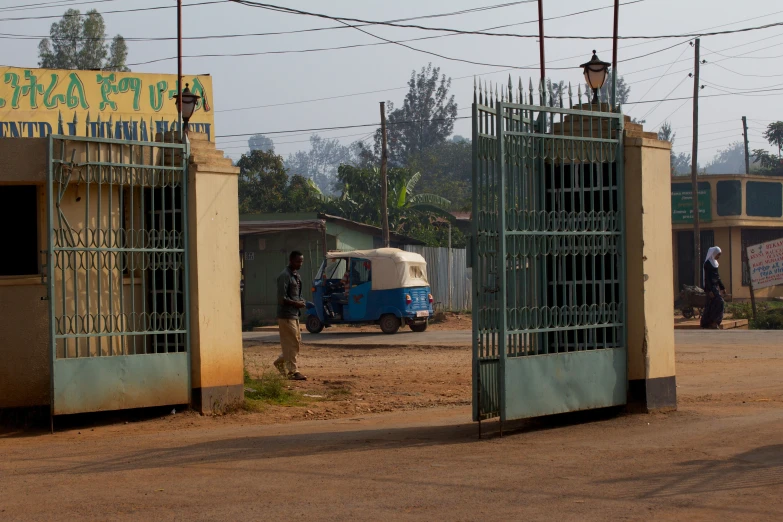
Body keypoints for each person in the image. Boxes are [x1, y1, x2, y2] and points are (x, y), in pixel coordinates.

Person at [274, 251, 307, 380]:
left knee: (295, 342)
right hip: (286, 315)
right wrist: (296, 303)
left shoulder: (296, 276)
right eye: (298, 261)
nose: (300, 264)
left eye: (301, 261)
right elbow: (281, 299)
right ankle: (293, 371)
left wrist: (301, 302)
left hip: (294, 314)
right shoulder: (284, 276)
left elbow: (297, 295)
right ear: (291, 260)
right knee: (292, 343)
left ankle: (280, 362)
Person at [700, 246, 726, 329]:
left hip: (715, 287)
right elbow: (707, 278)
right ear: (714, 253)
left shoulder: (715, 263)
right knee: (720, 302)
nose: (718, 257)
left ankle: (711, 323)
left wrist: (722, 287)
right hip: (710, 287)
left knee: (713, 305)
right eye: (718, 255)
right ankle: (714, 322)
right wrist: (709, 290)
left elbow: (717, 277)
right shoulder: (707, 263)